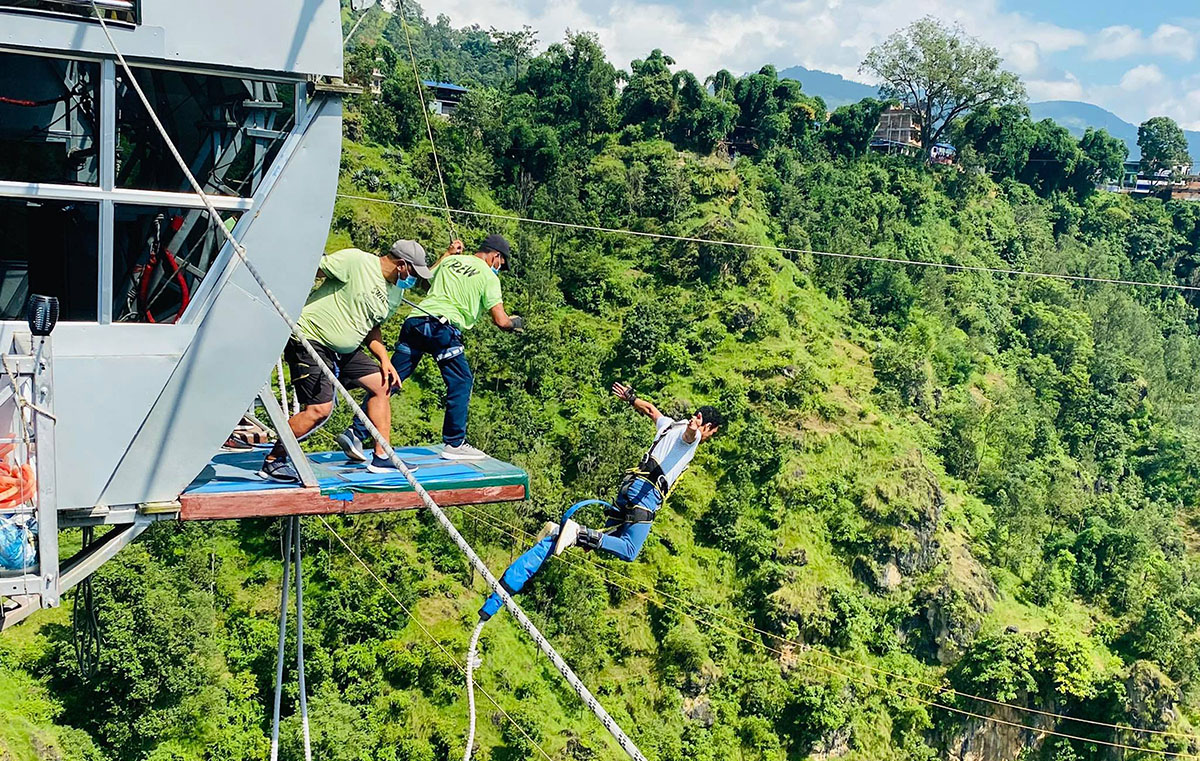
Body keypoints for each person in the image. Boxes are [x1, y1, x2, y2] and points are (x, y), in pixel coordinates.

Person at [477, 382, 722, 620]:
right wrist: (694, 428)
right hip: (644, 495)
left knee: (610, 540)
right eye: (710, 431)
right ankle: (576, 533)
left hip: (629, 487)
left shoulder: (670, 425)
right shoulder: (691, 436)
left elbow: (651, 410)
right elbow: (691, 436)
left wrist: (630, 397)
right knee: (628, 550)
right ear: (709, 427)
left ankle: (562, 534)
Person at [257, 240, 434, 482]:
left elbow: (372, 327)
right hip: (311, 338)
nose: (413, 281)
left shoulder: (396, 291)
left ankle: (382, 456)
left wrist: (384, 359)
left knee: (383, 385)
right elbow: (309, 269)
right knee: (319, 409)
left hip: (346, 349)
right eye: (413, 274)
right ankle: (273, 460)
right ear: (402, 265)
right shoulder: (356, 261)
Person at [337, 233, 523, 463]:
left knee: (390, 380)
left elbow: (424, 281)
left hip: (416, 322)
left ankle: (356, 431)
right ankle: (455, 442)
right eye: (500, 264)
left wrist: (446, 254)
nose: (498, 268)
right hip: (442, 329)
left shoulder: (451, 260)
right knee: (460, 381)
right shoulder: (488, 276)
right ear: (496, 257)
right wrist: (516, 323)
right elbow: (501, 320)